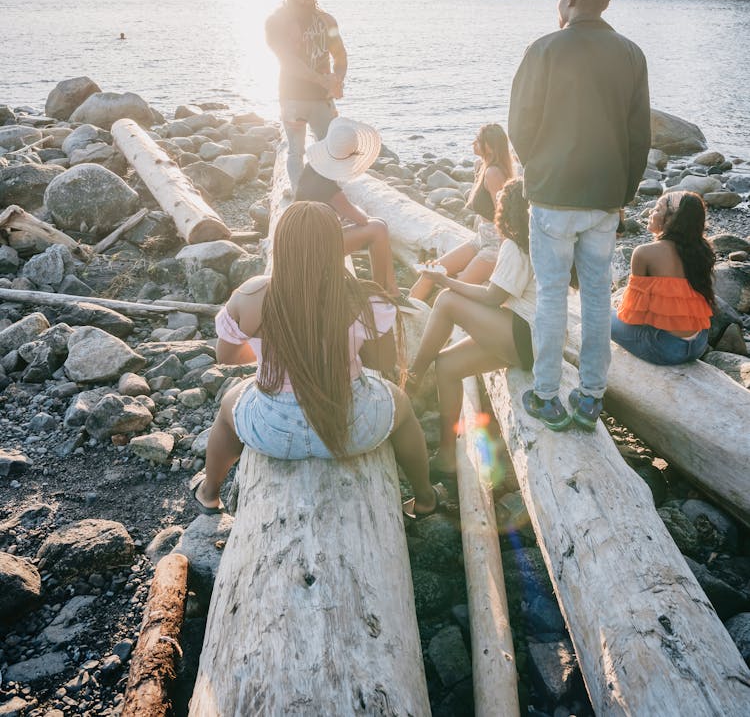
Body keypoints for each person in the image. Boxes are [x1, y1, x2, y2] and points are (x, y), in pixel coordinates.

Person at [191, 202, 443, 520]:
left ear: (281, 244)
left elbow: (225, 356)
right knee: (403, 407)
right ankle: (424, 499)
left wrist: (267, 347)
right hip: (351, 429)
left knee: (229, 408)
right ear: (336, 245)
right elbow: (382, 361)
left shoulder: (251, 294)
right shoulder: (361, 296)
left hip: (274, 430)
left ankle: (209, 492)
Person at [508, 0, 651, 432]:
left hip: (552, 197)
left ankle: (546, 395)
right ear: (604, 2)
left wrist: (539, 169)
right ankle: (591, 397)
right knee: (595, 297)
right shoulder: (631, 54)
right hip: (604, 200)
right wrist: (622, 192)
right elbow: (638, 137)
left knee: (550, 295)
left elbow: (520, 126)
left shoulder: (544, 49)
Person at [405, 178, 534, 475]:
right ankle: (447, 454)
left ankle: (412, 376)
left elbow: (492, 297)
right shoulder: (528, 242)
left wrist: (446, 280)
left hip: (525, 336)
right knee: (448, 364)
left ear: (506, 211)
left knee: (447, 299)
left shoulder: (515, 247)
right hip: (525, 338)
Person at [295, 117, 402, 300]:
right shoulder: (330, 189)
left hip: (301, 240)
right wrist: (351, 213)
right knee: (378, 228)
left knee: (379, 225)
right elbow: (362, 219)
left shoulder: (311, 168)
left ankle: (390, 288)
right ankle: (384, 290)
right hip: (311, 250)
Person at [265, 0, 348, 191]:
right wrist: (323, 80)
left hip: (322, 98)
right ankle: (299, 200)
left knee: (329, 149)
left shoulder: (327, 20)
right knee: (296, 151)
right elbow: (289, 62)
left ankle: (329, 198)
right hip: (292, 98)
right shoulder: (275, 22)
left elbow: (340, 56)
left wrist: (338, 80)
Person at [409, 124, 514, 304]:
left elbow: (503, 217)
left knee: (451, 294)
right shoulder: (484, 167)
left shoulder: (493, 172)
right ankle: (401, 316)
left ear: (488, 146)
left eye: (478, 140)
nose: (473, 143)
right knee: (430, 274)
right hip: (481, 238)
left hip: (494, 247)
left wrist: (506, 258)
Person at [611, 191, 714, 364]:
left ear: (672, 219)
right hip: (698, 344)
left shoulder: (644, 253)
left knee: (601, 316)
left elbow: (633, 315)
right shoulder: (702, 252)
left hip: (665, 348)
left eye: (657, 209)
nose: (651, 212)